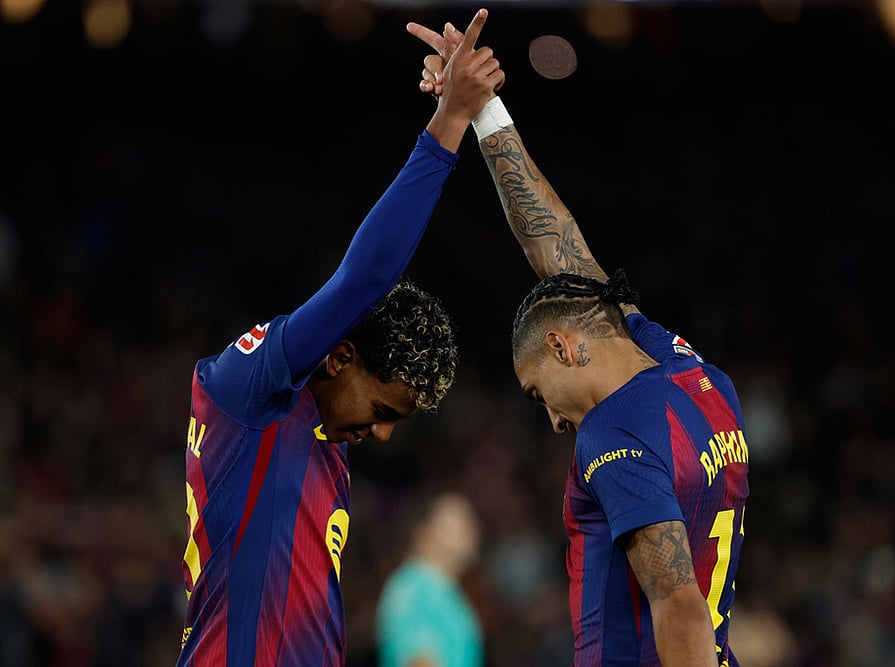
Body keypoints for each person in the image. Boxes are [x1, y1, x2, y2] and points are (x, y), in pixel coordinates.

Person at [407, 18, 749, 667]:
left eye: (539, 393)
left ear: (565, 347)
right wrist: (483, 111)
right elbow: (556, 245)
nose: (556, 419)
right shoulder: (690, 370)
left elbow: (676, 598)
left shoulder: (614, 431)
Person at [175, 10, 504, 666]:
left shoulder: (323, 440)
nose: (382, 433)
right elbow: (367, 276)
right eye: (382, 409)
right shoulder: (252, 392)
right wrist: (454, 121)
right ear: (341, 354)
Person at [375, 491, 484, 667]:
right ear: (424, 533)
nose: (474, 529)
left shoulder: (443, 591)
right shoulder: (414, 589)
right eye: (460, 522)